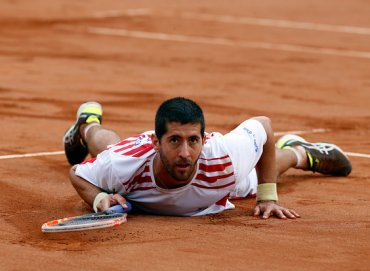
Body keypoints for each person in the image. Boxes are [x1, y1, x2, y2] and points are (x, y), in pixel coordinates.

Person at [63, 97, 352, 219]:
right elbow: (78, 173)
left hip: (217, 186)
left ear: (204, 139)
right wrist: (100, 199)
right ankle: (88, 124)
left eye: (193, 141)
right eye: (174, 141)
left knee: (262, 176)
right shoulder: (124, 164)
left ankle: (299, 151)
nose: (185, 153)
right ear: (156, 142)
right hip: (131, 162)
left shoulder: (224, 158)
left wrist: (267, 197)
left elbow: (263, 125)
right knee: (111, 152)